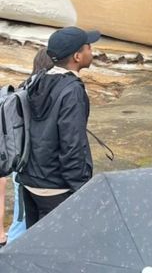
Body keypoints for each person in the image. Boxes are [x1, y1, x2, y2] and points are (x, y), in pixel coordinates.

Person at [18, 26, 99, 227]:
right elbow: (72, 144)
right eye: (88, 47)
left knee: (36, 248)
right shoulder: (72, 91)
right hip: (56, 189)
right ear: (77, 57)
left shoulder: (38, 80)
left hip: (31, 182)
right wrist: (81, 189)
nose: (92, 51)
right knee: (61, 252)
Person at [4, 48, 53, 244]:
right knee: (20, 223)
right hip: (29, 168)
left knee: (22, 218)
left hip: (21, 164)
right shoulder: (34, 93)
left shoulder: (25, 88)